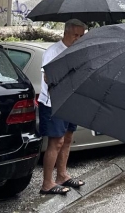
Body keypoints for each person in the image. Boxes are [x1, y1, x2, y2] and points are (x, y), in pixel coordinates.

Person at [38, 19, 87, 195]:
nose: (78, 38)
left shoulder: (77, 51)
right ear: (66, 33)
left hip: (70, 101)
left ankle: (62, 175)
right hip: (53, 103)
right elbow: (47, 78)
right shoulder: (53, 51)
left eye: (81, 35)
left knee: (67, 139)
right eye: (76, 35)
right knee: (56, 142)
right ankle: (47, 183)